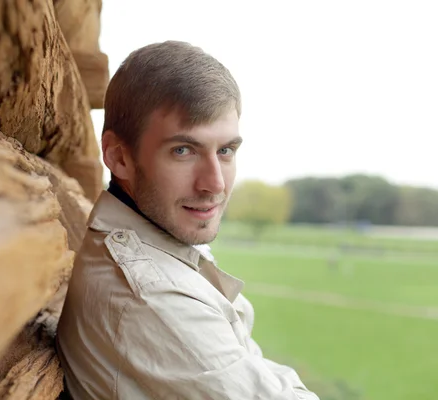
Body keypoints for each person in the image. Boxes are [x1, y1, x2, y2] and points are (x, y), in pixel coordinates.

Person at [56, 40, 319, 400]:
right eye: (183, 150)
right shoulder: (152, 296)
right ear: (119, 158)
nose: (215, 184)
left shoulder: (162, 245)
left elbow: (255, 368)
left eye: (225, 151)